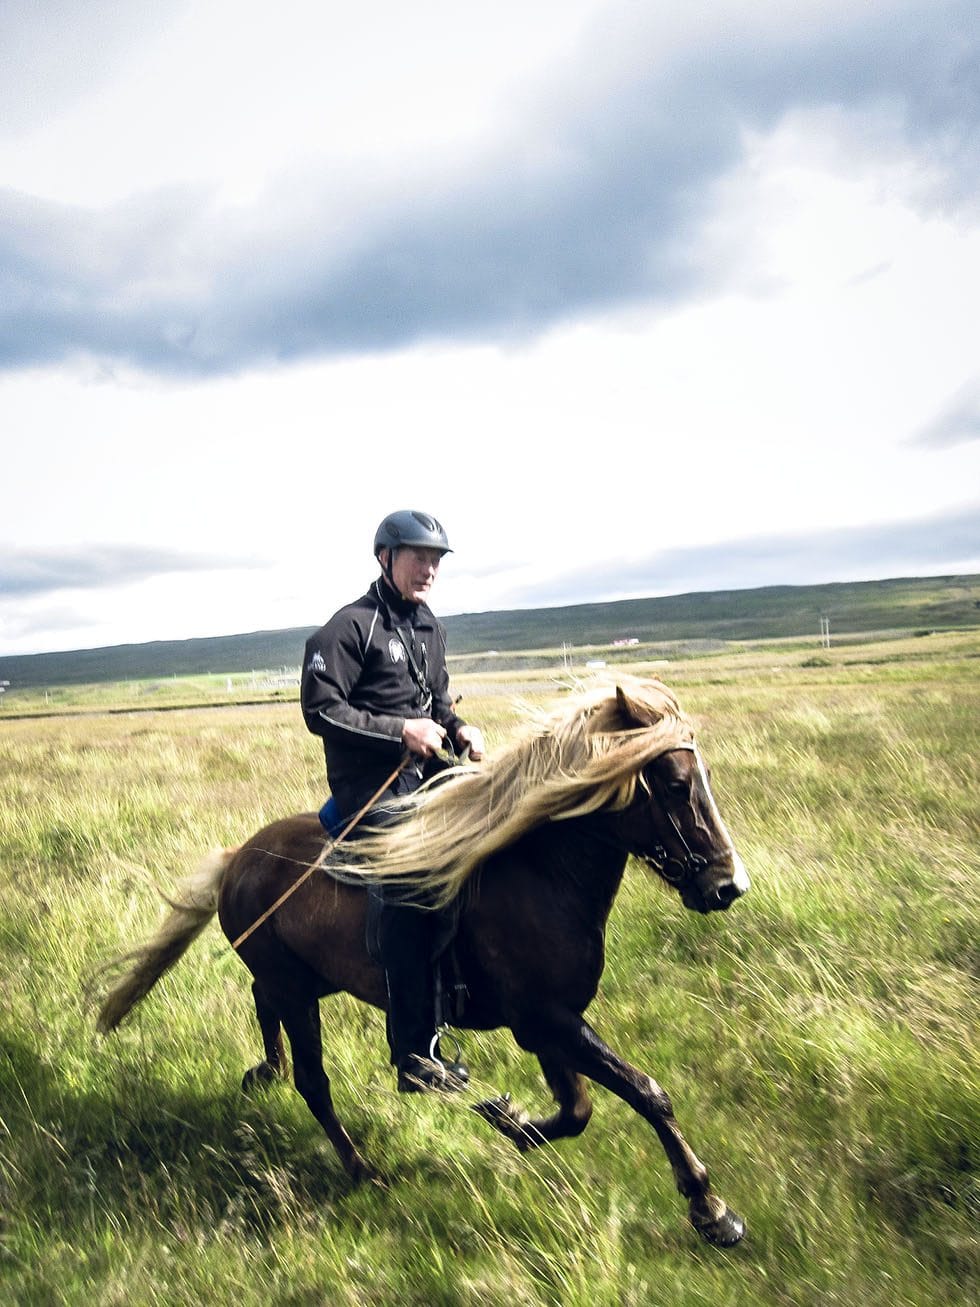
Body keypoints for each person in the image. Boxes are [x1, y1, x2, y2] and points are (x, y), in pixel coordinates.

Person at [301, 510, 484, 1092]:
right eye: (417, 557)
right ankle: (415, 1056)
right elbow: (321, 710)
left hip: (428, 778)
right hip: (369, 792)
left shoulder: (429, 626)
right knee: (416, 888)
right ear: (385, 557)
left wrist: (458, 729)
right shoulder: (347, 628)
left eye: (436, 560)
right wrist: (399, 732)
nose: (429, 569)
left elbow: (436, 700)